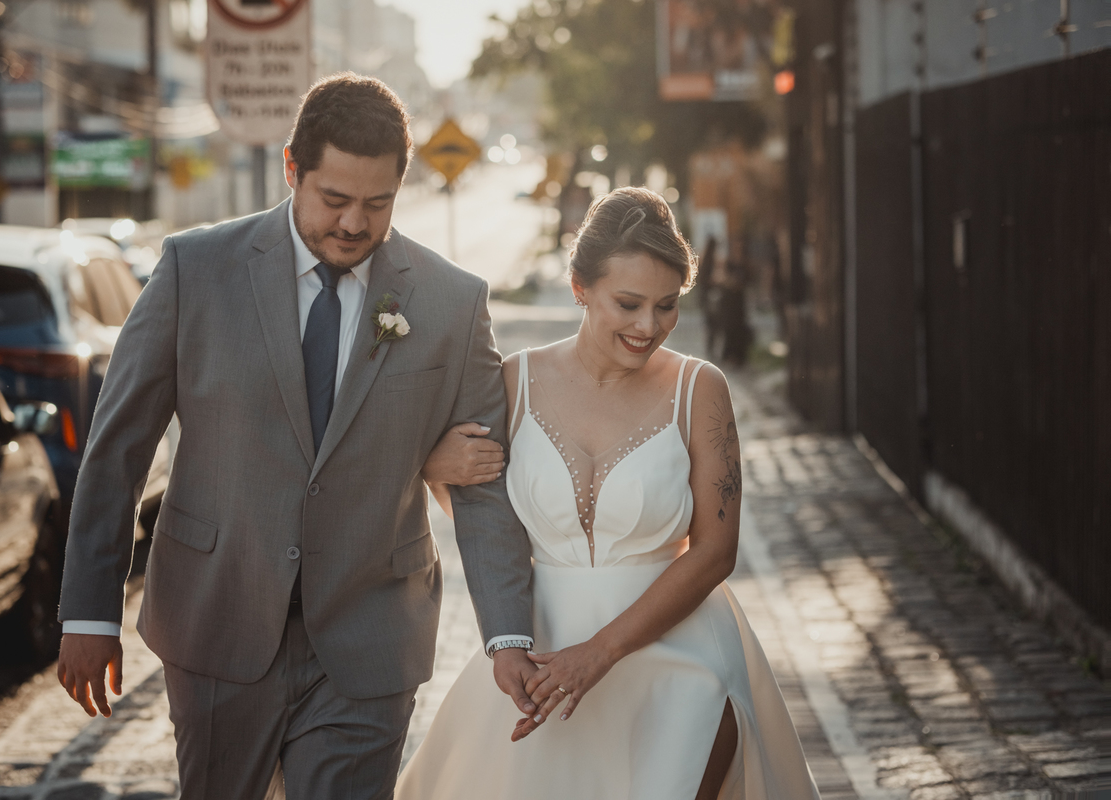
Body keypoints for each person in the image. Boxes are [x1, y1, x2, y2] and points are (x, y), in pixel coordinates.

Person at [53, 73, 540, 800]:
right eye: (334, 200)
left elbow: (483, 482)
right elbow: (117, 450)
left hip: (370, 635)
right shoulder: (196, 270)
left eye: (376, 204)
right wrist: (90, 612)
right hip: (216, 616)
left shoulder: (452, 302)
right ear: (292, 169)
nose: (353, 224)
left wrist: (508, 635)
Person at [399, 188, 821, 800]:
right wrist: (433, 464)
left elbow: (715, 551)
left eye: (667, 306)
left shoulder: (699, 389)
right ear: (579, 286)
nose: (648, 326)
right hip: (541, 658)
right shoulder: (510, 382)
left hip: (678, 653)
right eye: (629, 303)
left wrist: (599, 653)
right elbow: (485, 514)